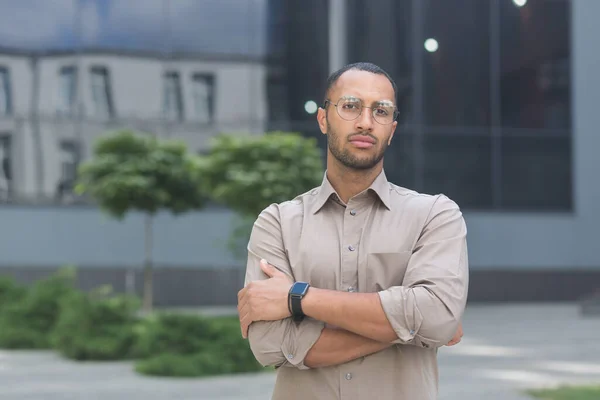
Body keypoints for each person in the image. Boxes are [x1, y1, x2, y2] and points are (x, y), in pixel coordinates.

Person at [237, 62, 469, 400]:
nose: (365, 121)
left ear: (392, 129)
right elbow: (270, 345)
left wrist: (297, 298)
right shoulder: (277, 223)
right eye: (350, 106)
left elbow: (436, 317)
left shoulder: (434, 215)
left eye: (381, 111)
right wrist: (412, 325)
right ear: (322, 119)